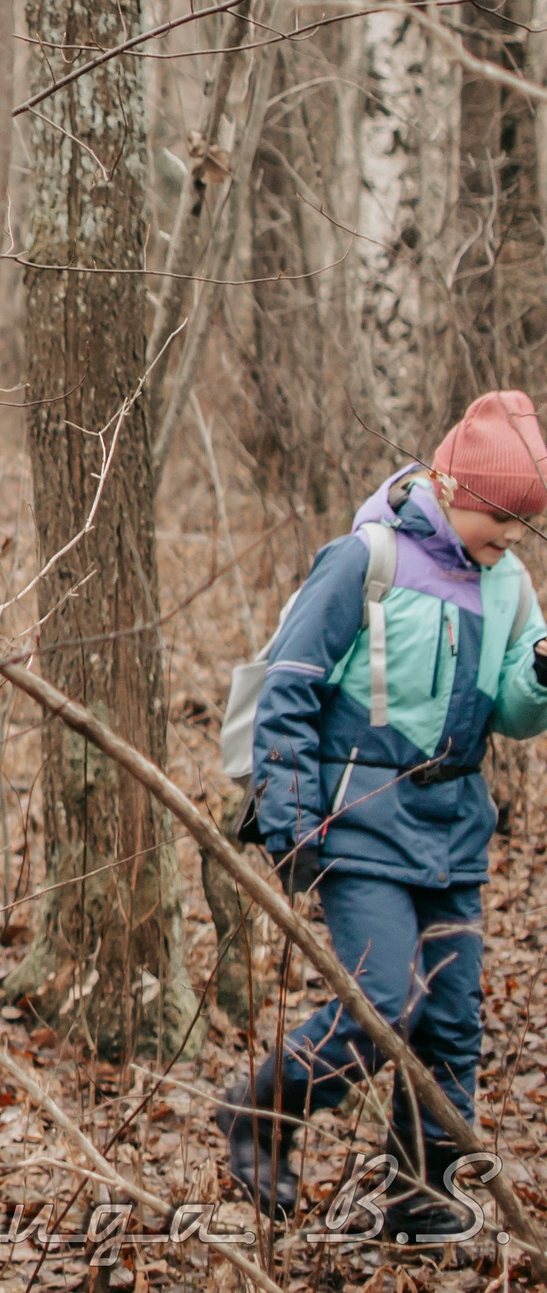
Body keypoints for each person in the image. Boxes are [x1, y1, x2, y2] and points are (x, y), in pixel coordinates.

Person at [219, 391, 547, 1237]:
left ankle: (427, 1199)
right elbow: (290, 685)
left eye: (525, 521)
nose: (511, 536)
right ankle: (260, 1111)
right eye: (500, 516)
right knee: (381, 1001)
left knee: (451, 1017)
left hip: (454, 831)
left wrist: (540, 670)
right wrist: (290, 823)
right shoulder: (367, 559)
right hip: (358, 820)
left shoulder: (508, 582)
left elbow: (512, 708)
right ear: (449, 484)